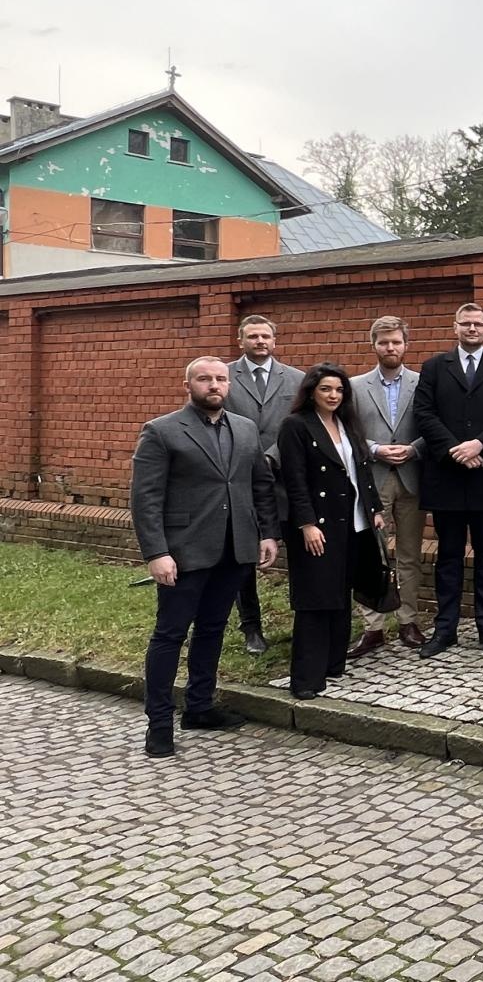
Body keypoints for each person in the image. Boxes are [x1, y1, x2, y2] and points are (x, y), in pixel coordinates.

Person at [131, 357, 278, 758]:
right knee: (170, 634)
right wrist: (157, 553)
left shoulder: (246, 429)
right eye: (204, 379)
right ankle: (158, 724)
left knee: (212, 628)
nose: (213, 385)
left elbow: (260, 485)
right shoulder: (161, 431)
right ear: (188, 384)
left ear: (228, 385)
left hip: (235, 549)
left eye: (220, 379)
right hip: (184, 552)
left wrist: (268, 534)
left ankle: (199, 707)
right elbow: (146, 500)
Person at [415, 303, 483, 658]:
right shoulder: (434, 367)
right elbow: (423, 413)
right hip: (447, 476)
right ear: (455, 327)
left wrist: (480, 445)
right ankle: (444, 629)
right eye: (466, 324)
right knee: (447, 556)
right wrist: (454, 449)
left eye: (478, 324)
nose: (472, 329)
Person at [277, 364, 385, 700]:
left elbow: (360, 470)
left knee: (340, 593)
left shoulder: (346, 422)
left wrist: (375, 508)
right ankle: (306, 678)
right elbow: (293, 480)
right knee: (315, 598)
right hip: (317, 524)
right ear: (311, 391)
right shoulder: (295, 425)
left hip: (354, 522)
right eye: (326, 389)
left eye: (338, 390)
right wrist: (306, 524)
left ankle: (333, 663)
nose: (333, 396)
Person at [222, 314, 305, 655]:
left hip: (286, 477)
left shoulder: (297, 379)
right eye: (253, 336)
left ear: (275, 340)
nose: (260, 341)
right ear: (241, 341)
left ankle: (305, 621)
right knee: (245, 556)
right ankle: (251, 627)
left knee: (301, 552)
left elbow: (300, 424)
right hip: (239, 479)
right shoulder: (222, 376)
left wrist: (271, 455)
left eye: (265, 336)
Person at [349, 316, 427, 656]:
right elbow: (346, 431)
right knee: (371, 555)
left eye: (395, 342)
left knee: (410, 554)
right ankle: (374, 627)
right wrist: (376, 449)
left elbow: (436, 426)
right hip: (372, 478)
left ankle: (408, 621)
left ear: (406, 344)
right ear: (374, 345)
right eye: (383, 342)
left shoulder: (424, 383)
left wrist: (414, 448)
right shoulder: (354, 386)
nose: (390, 347)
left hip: (412, 476)